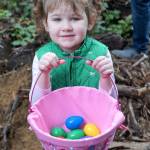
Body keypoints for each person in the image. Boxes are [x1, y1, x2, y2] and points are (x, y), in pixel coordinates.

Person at [30, 0, 117, 104]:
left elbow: (112, 103)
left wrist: (105, 78)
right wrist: (43, 74)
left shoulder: (101, 53)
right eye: (57, 19)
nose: (66, 27)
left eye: (75, 18)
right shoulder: (41, 57)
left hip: (94, 119)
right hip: (55, 119)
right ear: (46, 24)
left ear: (90, 21)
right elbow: (35, 104)